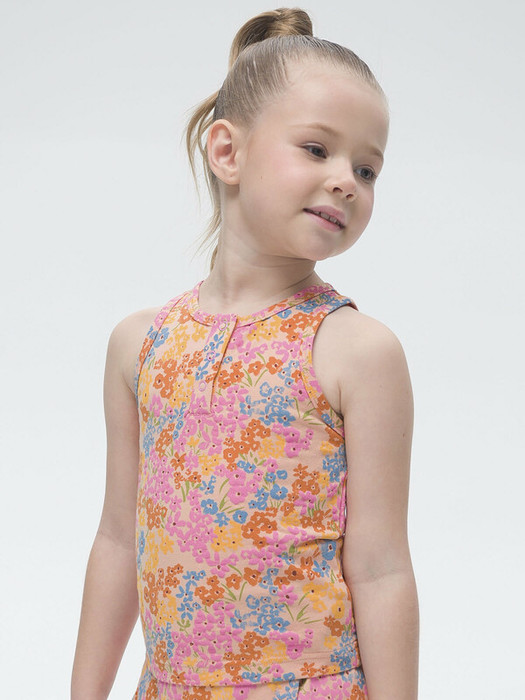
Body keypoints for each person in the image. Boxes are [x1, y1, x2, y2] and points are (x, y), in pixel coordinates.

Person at [71, 7, 419, 700]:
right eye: (316, 149)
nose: (347, 180)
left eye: (368, 168)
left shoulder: (356, 351)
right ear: (227, 151)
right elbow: (117, 538)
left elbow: (381, 569)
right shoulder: (140, 345)